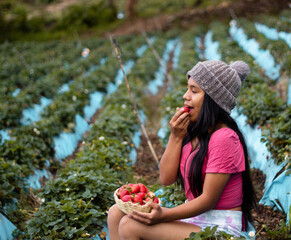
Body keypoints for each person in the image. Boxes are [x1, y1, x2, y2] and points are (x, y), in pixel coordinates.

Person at [107, 60, 257, 240]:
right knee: (116, 212)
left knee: (130, 226)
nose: (186, 96)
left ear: (213, 99)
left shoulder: (224, 137)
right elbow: (166, 178)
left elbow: (208, 200)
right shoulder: (194, 130)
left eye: (194, 91)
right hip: (196, 219)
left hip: (220, 226)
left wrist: (164, 215)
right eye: (187, 89)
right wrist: (176, 136)